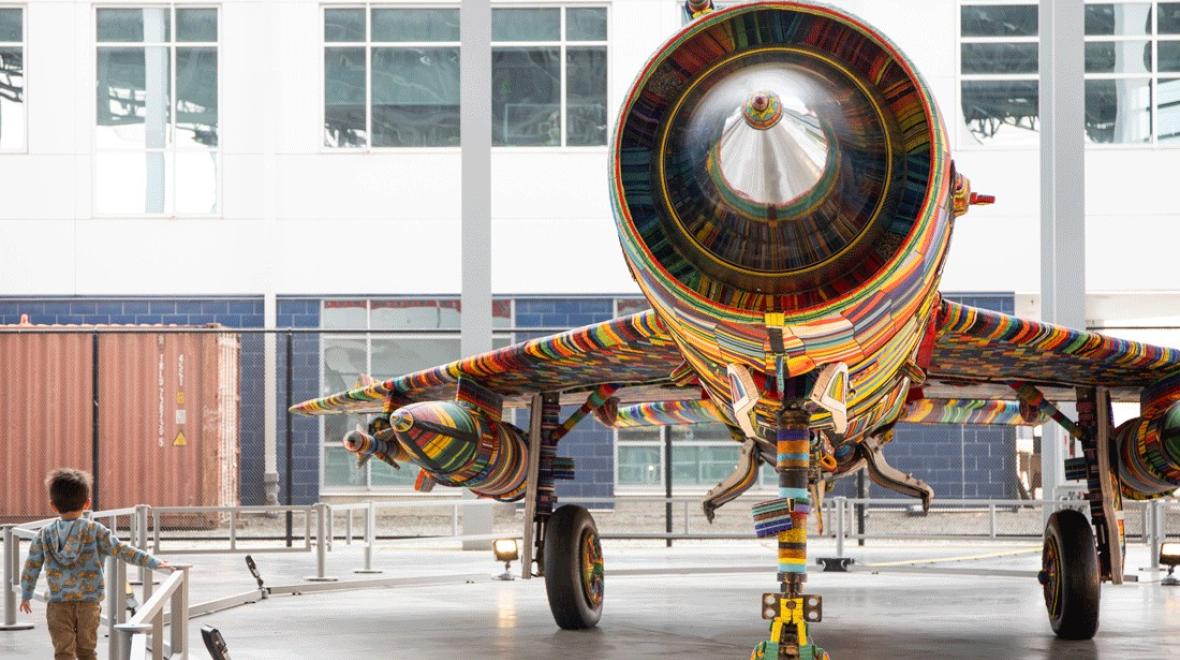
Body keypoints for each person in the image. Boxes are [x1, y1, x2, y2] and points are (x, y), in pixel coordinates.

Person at [18, 468, 171, 660]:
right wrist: (154, 562)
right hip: (89, 604)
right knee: (87, 652)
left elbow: (32, 566)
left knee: (63, 652)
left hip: (58, 604)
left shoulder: (43, 534)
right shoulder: (96, 531)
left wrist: (26, 594)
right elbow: (122, 550)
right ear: (87, 503)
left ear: (53, 506)